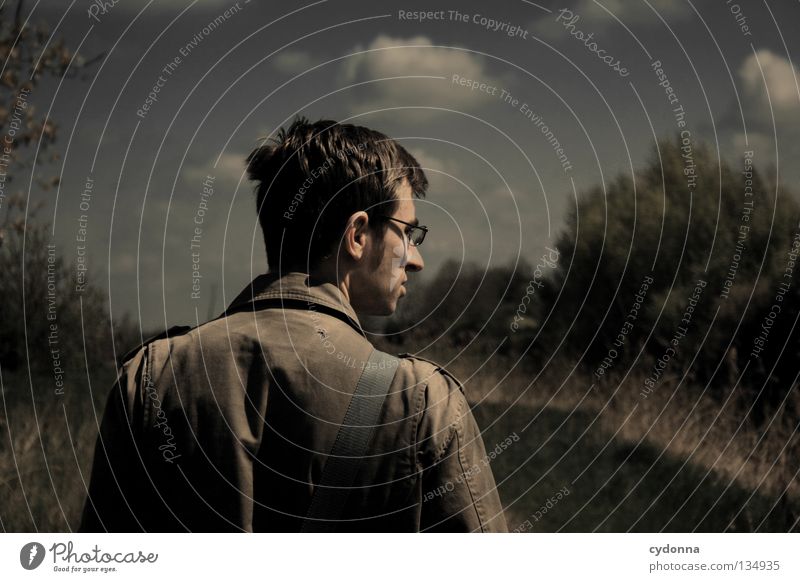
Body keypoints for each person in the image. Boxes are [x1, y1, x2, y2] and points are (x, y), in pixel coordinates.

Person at [80, 118, 508, 532]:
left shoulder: (151, 377)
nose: (415, 259)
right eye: (408, 232)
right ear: (358, 235)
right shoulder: (422, 401)